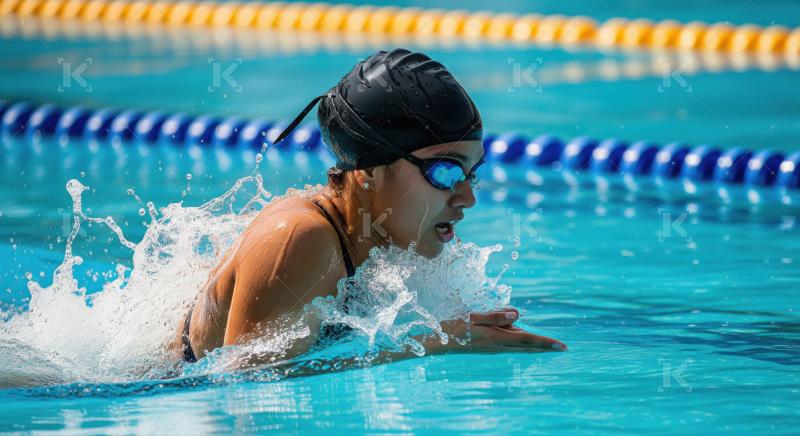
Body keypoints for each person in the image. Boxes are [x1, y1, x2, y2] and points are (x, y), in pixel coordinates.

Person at [177, 48, 567, 365]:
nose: (468, 197)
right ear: (368, 172)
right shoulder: (299, 239)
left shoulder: (393, 237)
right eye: (445, 173)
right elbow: (243, 385)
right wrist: (439, 341)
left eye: (472, 172)